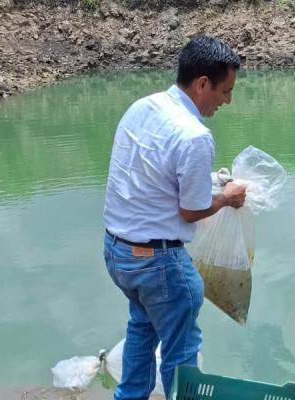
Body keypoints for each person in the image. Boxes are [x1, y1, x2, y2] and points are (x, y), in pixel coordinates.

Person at [102, 35, 247, 400]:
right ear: (202, 84)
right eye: (225, 91)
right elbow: (192, 210)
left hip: (118, 253)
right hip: (159, 264)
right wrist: (227, 198)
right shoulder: (195, 135)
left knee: (142, 328)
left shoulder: (143, 107)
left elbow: (150, 177)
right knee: (182, 352)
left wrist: (212, 183)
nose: (226, 101)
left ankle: (129, 396)